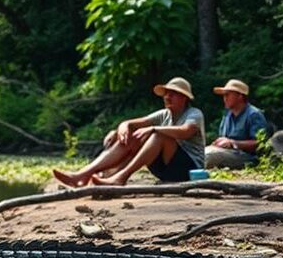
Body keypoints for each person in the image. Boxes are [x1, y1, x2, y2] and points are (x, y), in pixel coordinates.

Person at [53, 77, 205, 187]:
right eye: (166, 93)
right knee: (132, 137)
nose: (168, 97)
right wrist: (122, 128)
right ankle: (82, 175)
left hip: (188, 170)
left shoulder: (194, 113)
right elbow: (131, 123)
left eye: (173, 93)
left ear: (184, 98)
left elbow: (186, 131)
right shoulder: (163, 114)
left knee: (158, 135)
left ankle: (121, 177)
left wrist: (153, 128)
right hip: (165, 169)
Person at [205, 79, 269, 169]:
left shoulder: (254, 114)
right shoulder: (227, 115)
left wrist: (233, 143)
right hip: (228, 153)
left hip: (248, 158)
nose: (225, 98)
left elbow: (259, 143)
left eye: (228, 94)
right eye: (224, 95)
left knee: (209, 156)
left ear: (240, 96)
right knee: (201, 153)